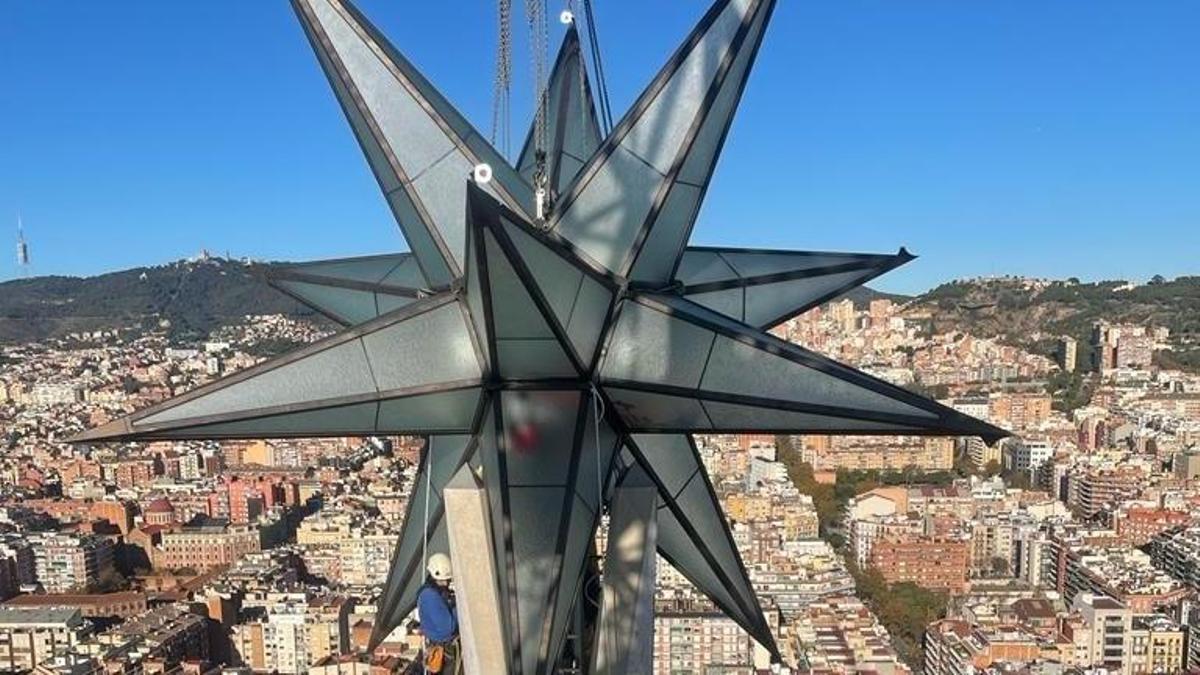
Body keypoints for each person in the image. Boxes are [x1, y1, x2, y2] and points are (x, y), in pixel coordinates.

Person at [418, 552, 459, 674]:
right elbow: (448, 627)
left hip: (440, 646)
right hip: (444, 650)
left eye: (447, 580)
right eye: (443, 581)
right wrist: (458, 608)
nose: (446, 584)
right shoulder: (430, 596)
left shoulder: (431, 592)